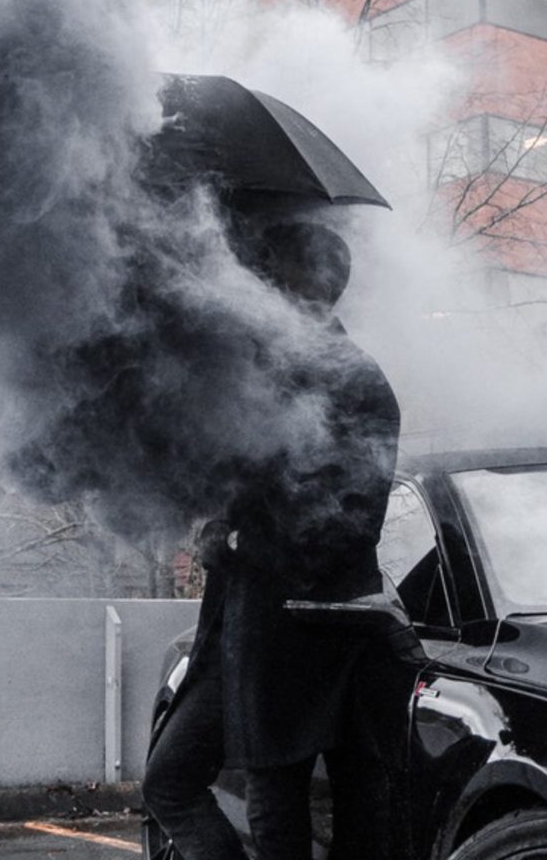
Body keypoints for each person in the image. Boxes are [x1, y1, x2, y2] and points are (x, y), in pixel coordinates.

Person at [142, 221, 401, 860]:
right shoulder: (268, 372)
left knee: (276, 806)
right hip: (242, 627)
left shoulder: (356, 383)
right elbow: (247, 488)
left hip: (298, 632)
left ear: (309, 288)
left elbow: (347, 525)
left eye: (272, 278)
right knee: (170, 780)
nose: (258, 290)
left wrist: (236, 546)